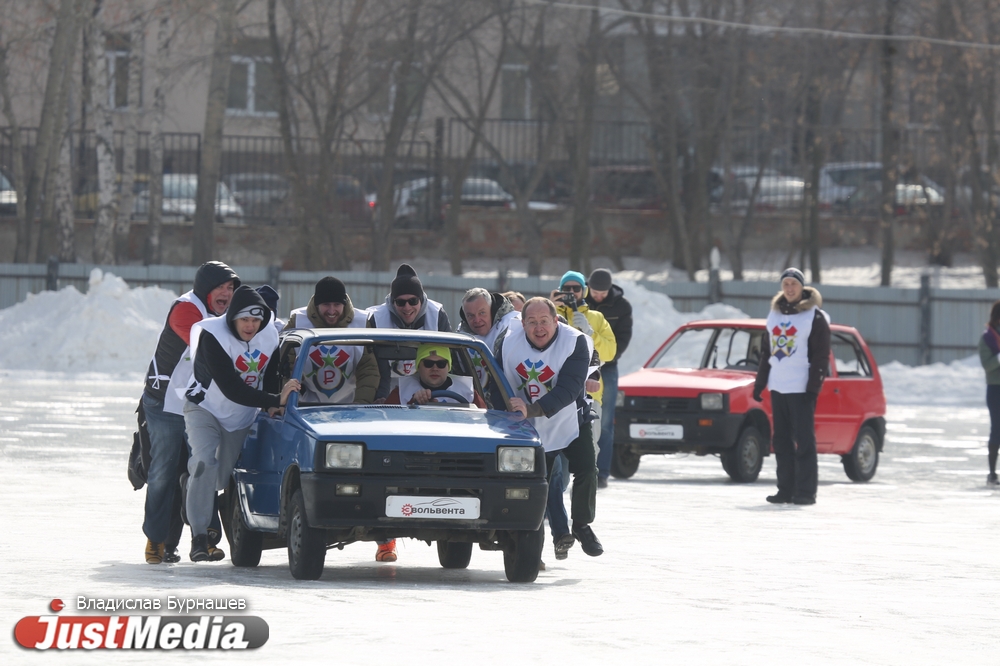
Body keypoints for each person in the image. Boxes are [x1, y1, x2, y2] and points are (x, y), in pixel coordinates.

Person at [182, 285, 300, 561]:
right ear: (232, 318)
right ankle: (199, 538)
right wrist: (275, 398)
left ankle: (190, 485)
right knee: (203, 462)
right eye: (244, 319)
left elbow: (269, 374)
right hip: (205, 407)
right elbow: (230, 387)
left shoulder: (271, 334)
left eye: (256, 320)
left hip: (240, 416)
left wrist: (271, 402)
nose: (250, 326)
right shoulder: (213, 334)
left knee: (220, 479)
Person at [141, 260, 239, 565]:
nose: (227, 293)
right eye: (221, 287)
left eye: (231, 288)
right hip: (166, 404)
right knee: (163, 474)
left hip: (200, 404)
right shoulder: (186, 308)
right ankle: (157, 541)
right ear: (205, 289)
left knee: (203, 467)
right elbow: (207, 348)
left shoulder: (228, 314)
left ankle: (205, 538)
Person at [496, 297, 603, 559]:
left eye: (544, 321)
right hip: (528, 426)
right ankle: (531, 547)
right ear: (522, 324)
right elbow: (497, 382)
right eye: (531, 322)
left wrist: (531, 408)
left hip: (569, 418)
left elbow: (569, 389)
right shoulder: (508, 342)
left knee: (587, 469)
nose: (538, 327)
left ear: (556, 321)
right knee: (537, 485)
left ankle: (581, 524)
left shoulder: (574, 341)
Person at [367, 263, 452, 562]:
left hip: (429, 391)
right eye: (400, 302)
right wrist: (381, 399)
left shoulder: (437, 314)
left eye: (412, 302)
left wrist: (441, 394)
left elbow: (450, 358)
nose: (406, 307)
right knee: (384, 467)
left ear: (422, 300)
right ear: (391, 302)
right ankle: (385, 540)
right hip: (390, 394)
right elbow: (373, 361)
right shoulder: (375, 318)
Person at [546, 271, 615, 559]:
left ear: (585, 290)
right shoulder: (548, 315)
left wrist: (587, 327)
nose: (571, 293)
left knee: (588, 462)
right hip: (551, 405)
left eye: (576, 288)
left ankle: (580, 521)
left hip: (585, 401)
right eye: (566, 289)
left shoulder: (596, 318)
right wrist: (555, 307)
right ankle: (557, 520)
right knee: (555, 471)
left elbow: (608, 352)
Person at [753, 268, 830, 506]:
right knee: (782, 441)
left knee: (804, 441)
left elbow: (820, 356)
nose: (789, 288)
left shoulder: (814, 317)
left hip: (801, 388)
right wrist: (760, 383)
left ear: (802, 287)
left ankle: (806, 492)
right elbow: (767, 352)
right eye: (785, 284)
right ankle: (785, 490)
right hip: (779, 387)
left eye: (793, 284)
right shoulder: (774, 315)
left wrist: (813, 387)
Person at [285, 276, 379, 405]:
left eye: (337, 304)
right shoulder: (297, 323)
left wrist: (360, 405)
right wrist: (288, 401)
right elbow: (284, 367)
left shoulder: (361, 324)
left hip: (349, 408)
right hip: (304, 408)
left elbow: (368, 370)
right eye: (326, 304)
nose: (331, 310)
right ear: (317, 304)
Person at [585, 268, 633, 489]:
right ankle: (583, 467)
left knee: (605, 421)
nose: (599, 296)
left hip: (608, 367)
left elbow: (623, 338)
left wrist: (608, 357)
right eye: (595, 292)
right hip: (582, 366)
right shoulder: (580, 301)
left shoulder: (622, 306)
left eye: (603, 293)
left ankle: (602, 472)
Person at [386, 343, 486, 408]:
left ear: (448, 367)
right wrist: (412, 403)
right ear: (418, 366)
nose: (435, 368)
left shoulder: (468, 392)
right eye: (428, 364)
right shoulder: (401, 392)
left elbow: (484, 423)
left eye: (441, 364)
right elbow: (387, 423)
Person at [457, 287, 518, 386]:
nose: (477, 320)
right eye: (470, 316)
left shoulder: (513, 326)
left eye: (482, 313)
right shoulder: (460, 335)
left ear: (492, 309)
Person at [978, 300, 1000, 485]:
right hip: (996, 389)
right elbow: (988, 365)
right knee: (997, 430)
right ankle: (992, 474)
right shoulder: (987, 339)